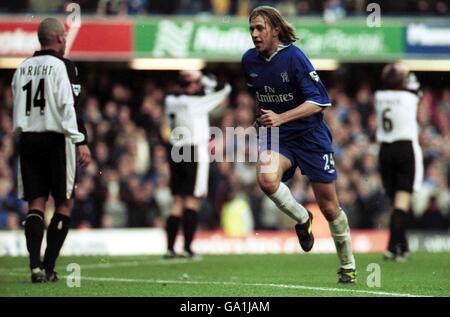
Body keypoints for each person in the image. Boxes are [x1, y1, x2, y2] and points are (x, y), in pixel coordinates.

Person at [241, 6, 356, 283]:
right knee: (266, 180)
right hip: (278, 136)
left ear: (275, 30)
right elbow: (263, 96)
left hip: (310, 137)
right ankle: (303, 219)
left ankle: (347, 265)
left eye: (260, 28)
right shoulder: (249, 61)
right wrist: (262, 118)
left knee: (329, 208)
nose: (255, 34)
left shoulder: (294, 58)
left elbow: (319, 102)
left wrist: (281, 117)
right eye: (251, 29)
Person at [11, 18, 91, 283]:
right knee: (64, 201)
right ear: (58, 38)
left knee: (35, 203)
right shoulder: (63, 66)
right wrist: (80, 140)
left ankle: (34, 265)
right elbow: (70, 106)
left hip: (29, 139)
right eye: (64, 36)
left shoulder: (22, 68)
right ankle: (48, 266)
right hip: (57, 139)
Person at [164, 70, 231, 258]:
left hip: (175, 149)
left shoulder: (171, 100)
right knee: (193, 199)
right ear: (191, 85)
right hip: (193, 149)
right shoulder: (196, 102)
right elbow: (224, 89)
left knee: (177, 200)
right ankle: (187, 248)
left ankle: (170, 248)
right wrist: (200, 76)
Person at [375, 63, 423, 262]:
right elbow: (415, 85)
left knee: (395, 204)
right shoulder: (410, 97)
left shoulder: (378, 97)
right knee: (402, 204)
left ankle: (402, 248)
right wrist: (406, 72)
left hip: (385, 150)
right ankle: (390, 248)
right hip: (404, 148)